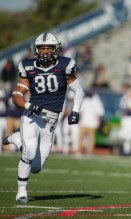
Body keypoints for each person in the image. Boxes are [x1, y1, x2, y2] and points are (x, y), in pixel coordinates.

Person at [2, 32, 85, 203]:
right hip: (32, 116)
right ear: (36, 50)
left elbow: (79, 91)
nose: (45, 51)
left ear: (56, 49)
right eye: (42, 48)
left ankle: (17, 139)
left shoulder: (64, 65)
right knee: (30, 150)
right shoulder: (28, 67)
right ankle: (22, 191)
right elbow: (16, 96)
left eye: (49, 48)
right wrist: (28, 105)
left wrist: (75, 111)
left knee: (37, 168)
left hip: (51, 121)